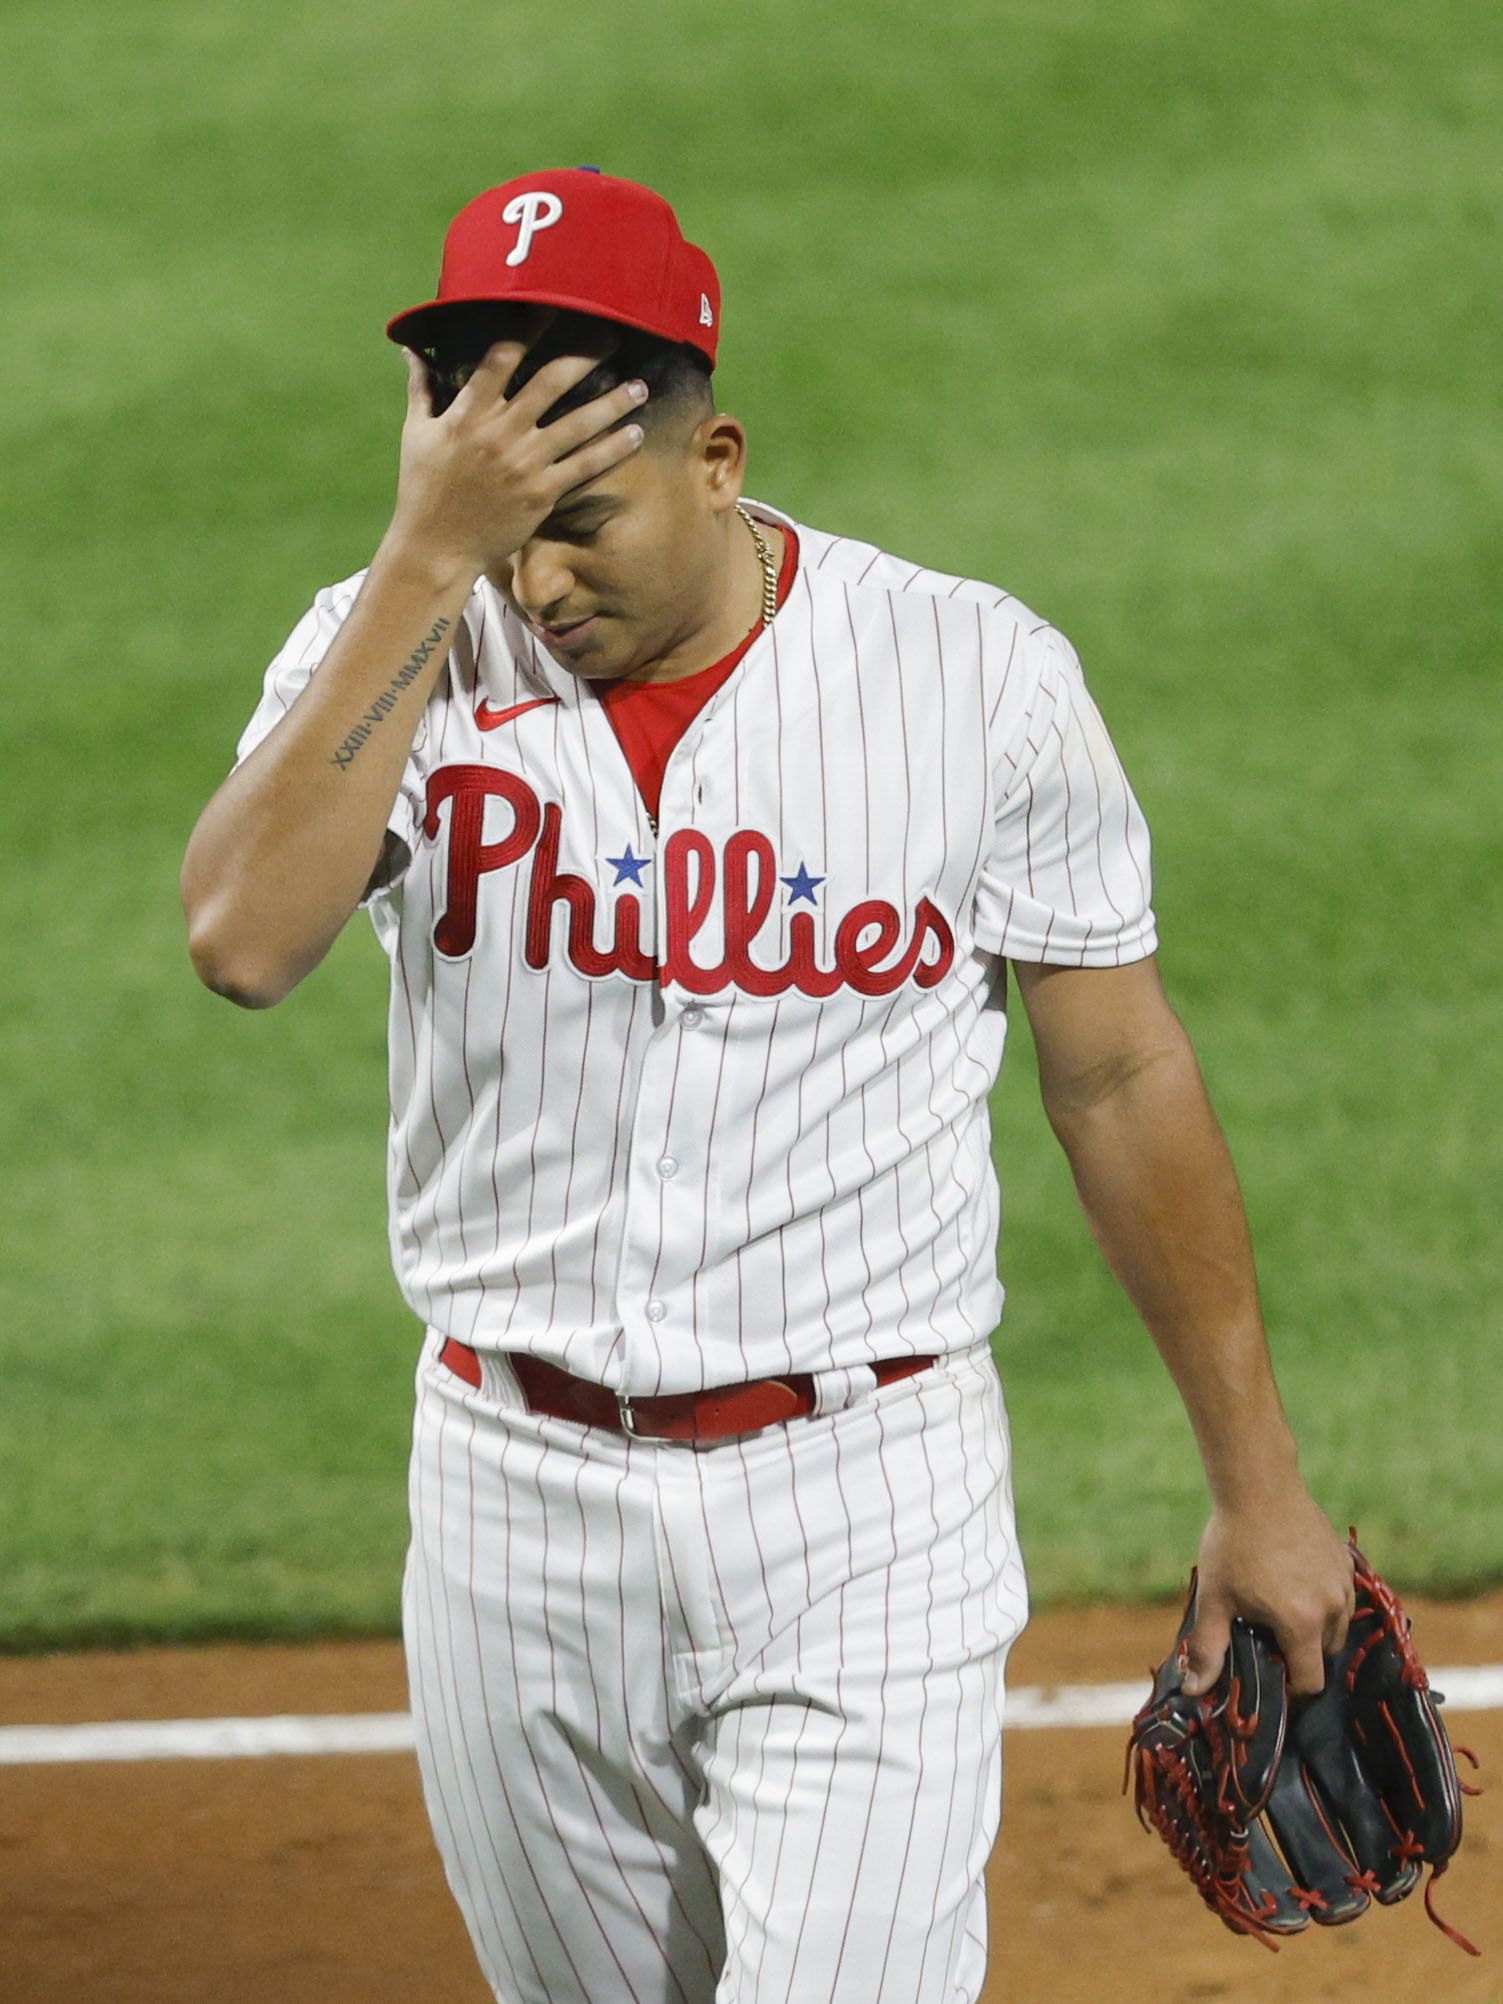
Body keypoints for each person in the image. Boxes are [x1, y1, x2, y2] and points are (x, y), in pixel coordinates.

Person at [181, 166, 1356, 2003]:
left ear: (716, 458)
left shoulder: (972, 680)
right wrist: (422, 565)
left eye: (584, 520)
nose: (539, 579)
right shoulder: (403, 641)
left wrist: (1259, 1484)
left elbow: (1120, 1073)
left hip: (859, 1497)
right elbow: (244, 940)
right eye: (500, 527)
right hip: (511, 1503)